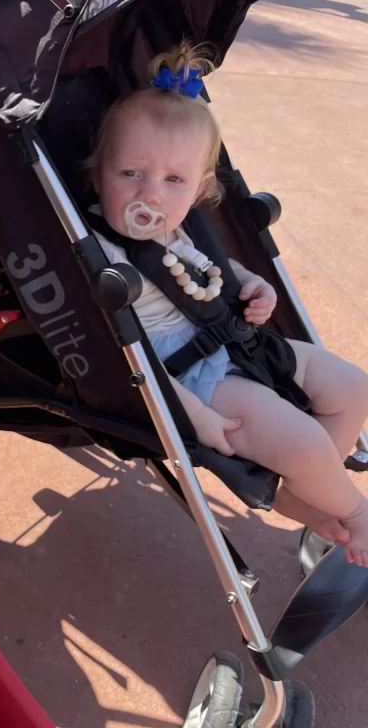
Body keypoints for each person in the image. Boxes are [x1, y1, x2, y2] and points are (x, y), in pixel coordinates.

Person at [85, 42, 368, 567]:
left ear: (198, 190)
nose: (151, 193)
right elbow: (115, 348)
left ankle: (305, 495)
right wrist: (186, 412)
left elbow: (204, 269)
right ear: (98, 172)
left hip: (236, 337)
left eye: (173, 181)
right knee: (304, 441)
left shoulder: (180, 225)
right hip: (189, 375)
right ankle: (353, 512)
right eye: (130, 174)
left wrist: (251, 281)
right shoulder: (99, 249)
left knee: (353, 387)